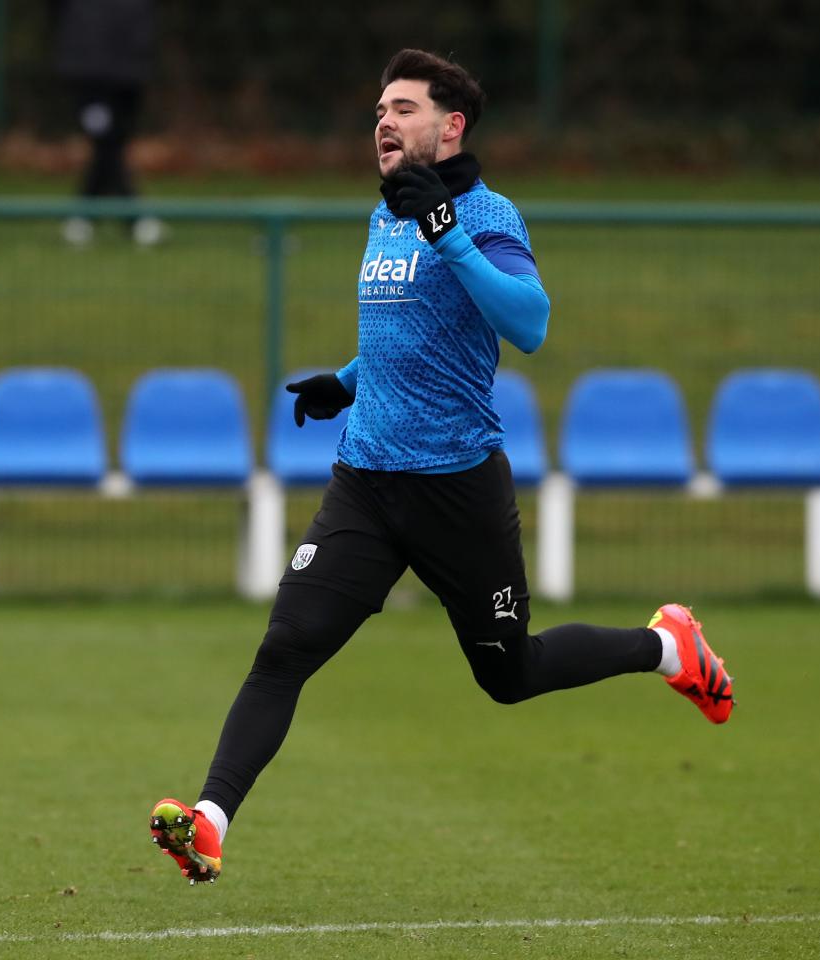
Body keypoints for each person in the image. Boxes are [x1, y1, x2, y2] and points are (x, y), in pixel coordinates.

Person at [147, 48, 734, 885]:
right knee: (285, 650)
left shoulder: (489, 215)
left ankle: (665, 646)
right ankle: (209, 823)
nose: (383, 121)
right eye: (378, 110)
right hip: (367, 486)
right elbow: (411, 335)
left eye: (403, 108)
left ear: (450, 127)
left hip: (457, 489)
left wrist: (448, 232)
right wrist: (345, 383)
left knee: (510, 674)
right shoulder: (387, 212)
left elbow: (528, 324)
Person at [52, 0, 163, 246]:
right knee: (107, 145)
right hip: (89, 72)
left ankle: (81, 218)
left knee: (112, 147)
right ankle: (135, 219)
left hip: (131, 71)